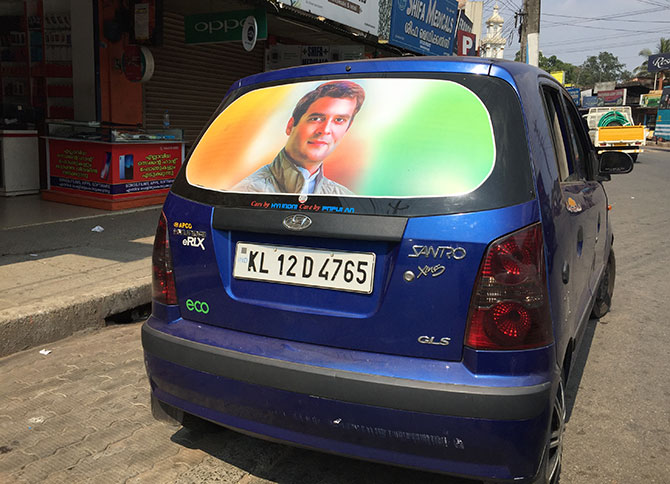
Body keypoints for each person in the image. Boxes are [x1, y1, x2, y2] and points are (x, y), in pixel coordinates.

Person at [232, 80, 365, 195]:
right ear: (290, 125)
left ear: (347, 129)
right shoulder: (246, 192)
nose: (325, 130)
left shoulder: (345, 198)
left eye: (339, 120)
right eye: (316, 118)